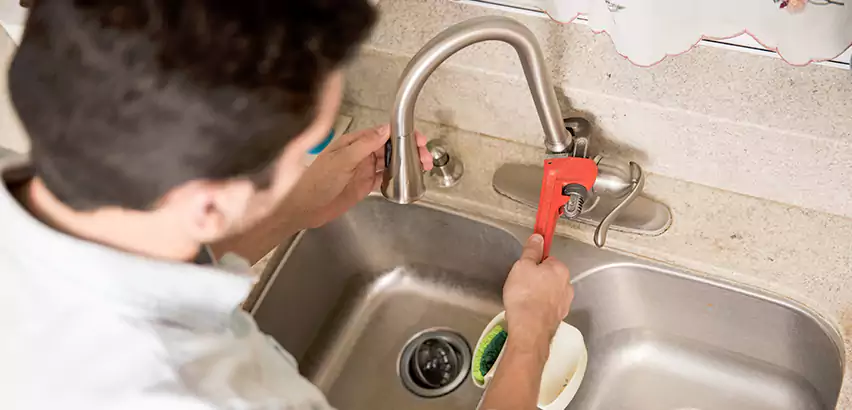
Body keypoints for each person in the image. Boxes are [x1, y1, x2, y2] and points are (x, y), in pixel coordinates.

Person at [0, 1, 574, 409]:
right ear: (208, 205)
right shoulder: (217, 394)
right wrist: (530, 336)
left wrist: (287, 209)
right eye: (307, 145)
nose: (310, 157)